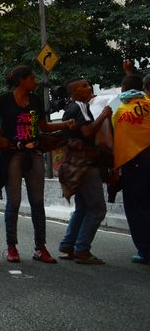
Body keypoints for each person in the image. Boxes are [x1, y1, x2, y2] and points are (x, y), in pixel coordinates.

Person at [0, 65, 74, 264]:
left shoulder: (35, 100)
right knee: (14, 202)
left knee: (37, 203)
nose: (35, 81)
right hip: (13, 154)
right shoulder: (3, 100)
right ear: (21, 80)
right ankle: (12, 247)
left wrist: (65, 124)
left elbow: (43, 126)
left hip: (34, 153)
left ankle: (40, 247)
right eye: (31, 77)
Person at [58, 78, 111, 264]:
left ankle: (67, 245)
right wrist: (104, 115)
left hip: (75, 164)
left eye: (89, 84)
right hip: (85, 164)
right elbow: (88, 133)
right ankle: (82, 250)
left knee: (82, 207)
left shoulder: (73, 108)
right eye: (83, 86)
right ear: (73, 92)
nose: (89, 87)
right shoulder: (79, 106)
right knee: (97, 209)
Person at [110, 73, 150, 264]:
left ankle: (145, 250)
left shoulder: (120, 112)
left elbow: (117, 141)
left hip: (134, 164)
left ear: (123, 90)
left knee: (136, 208)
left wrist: (115, 169)